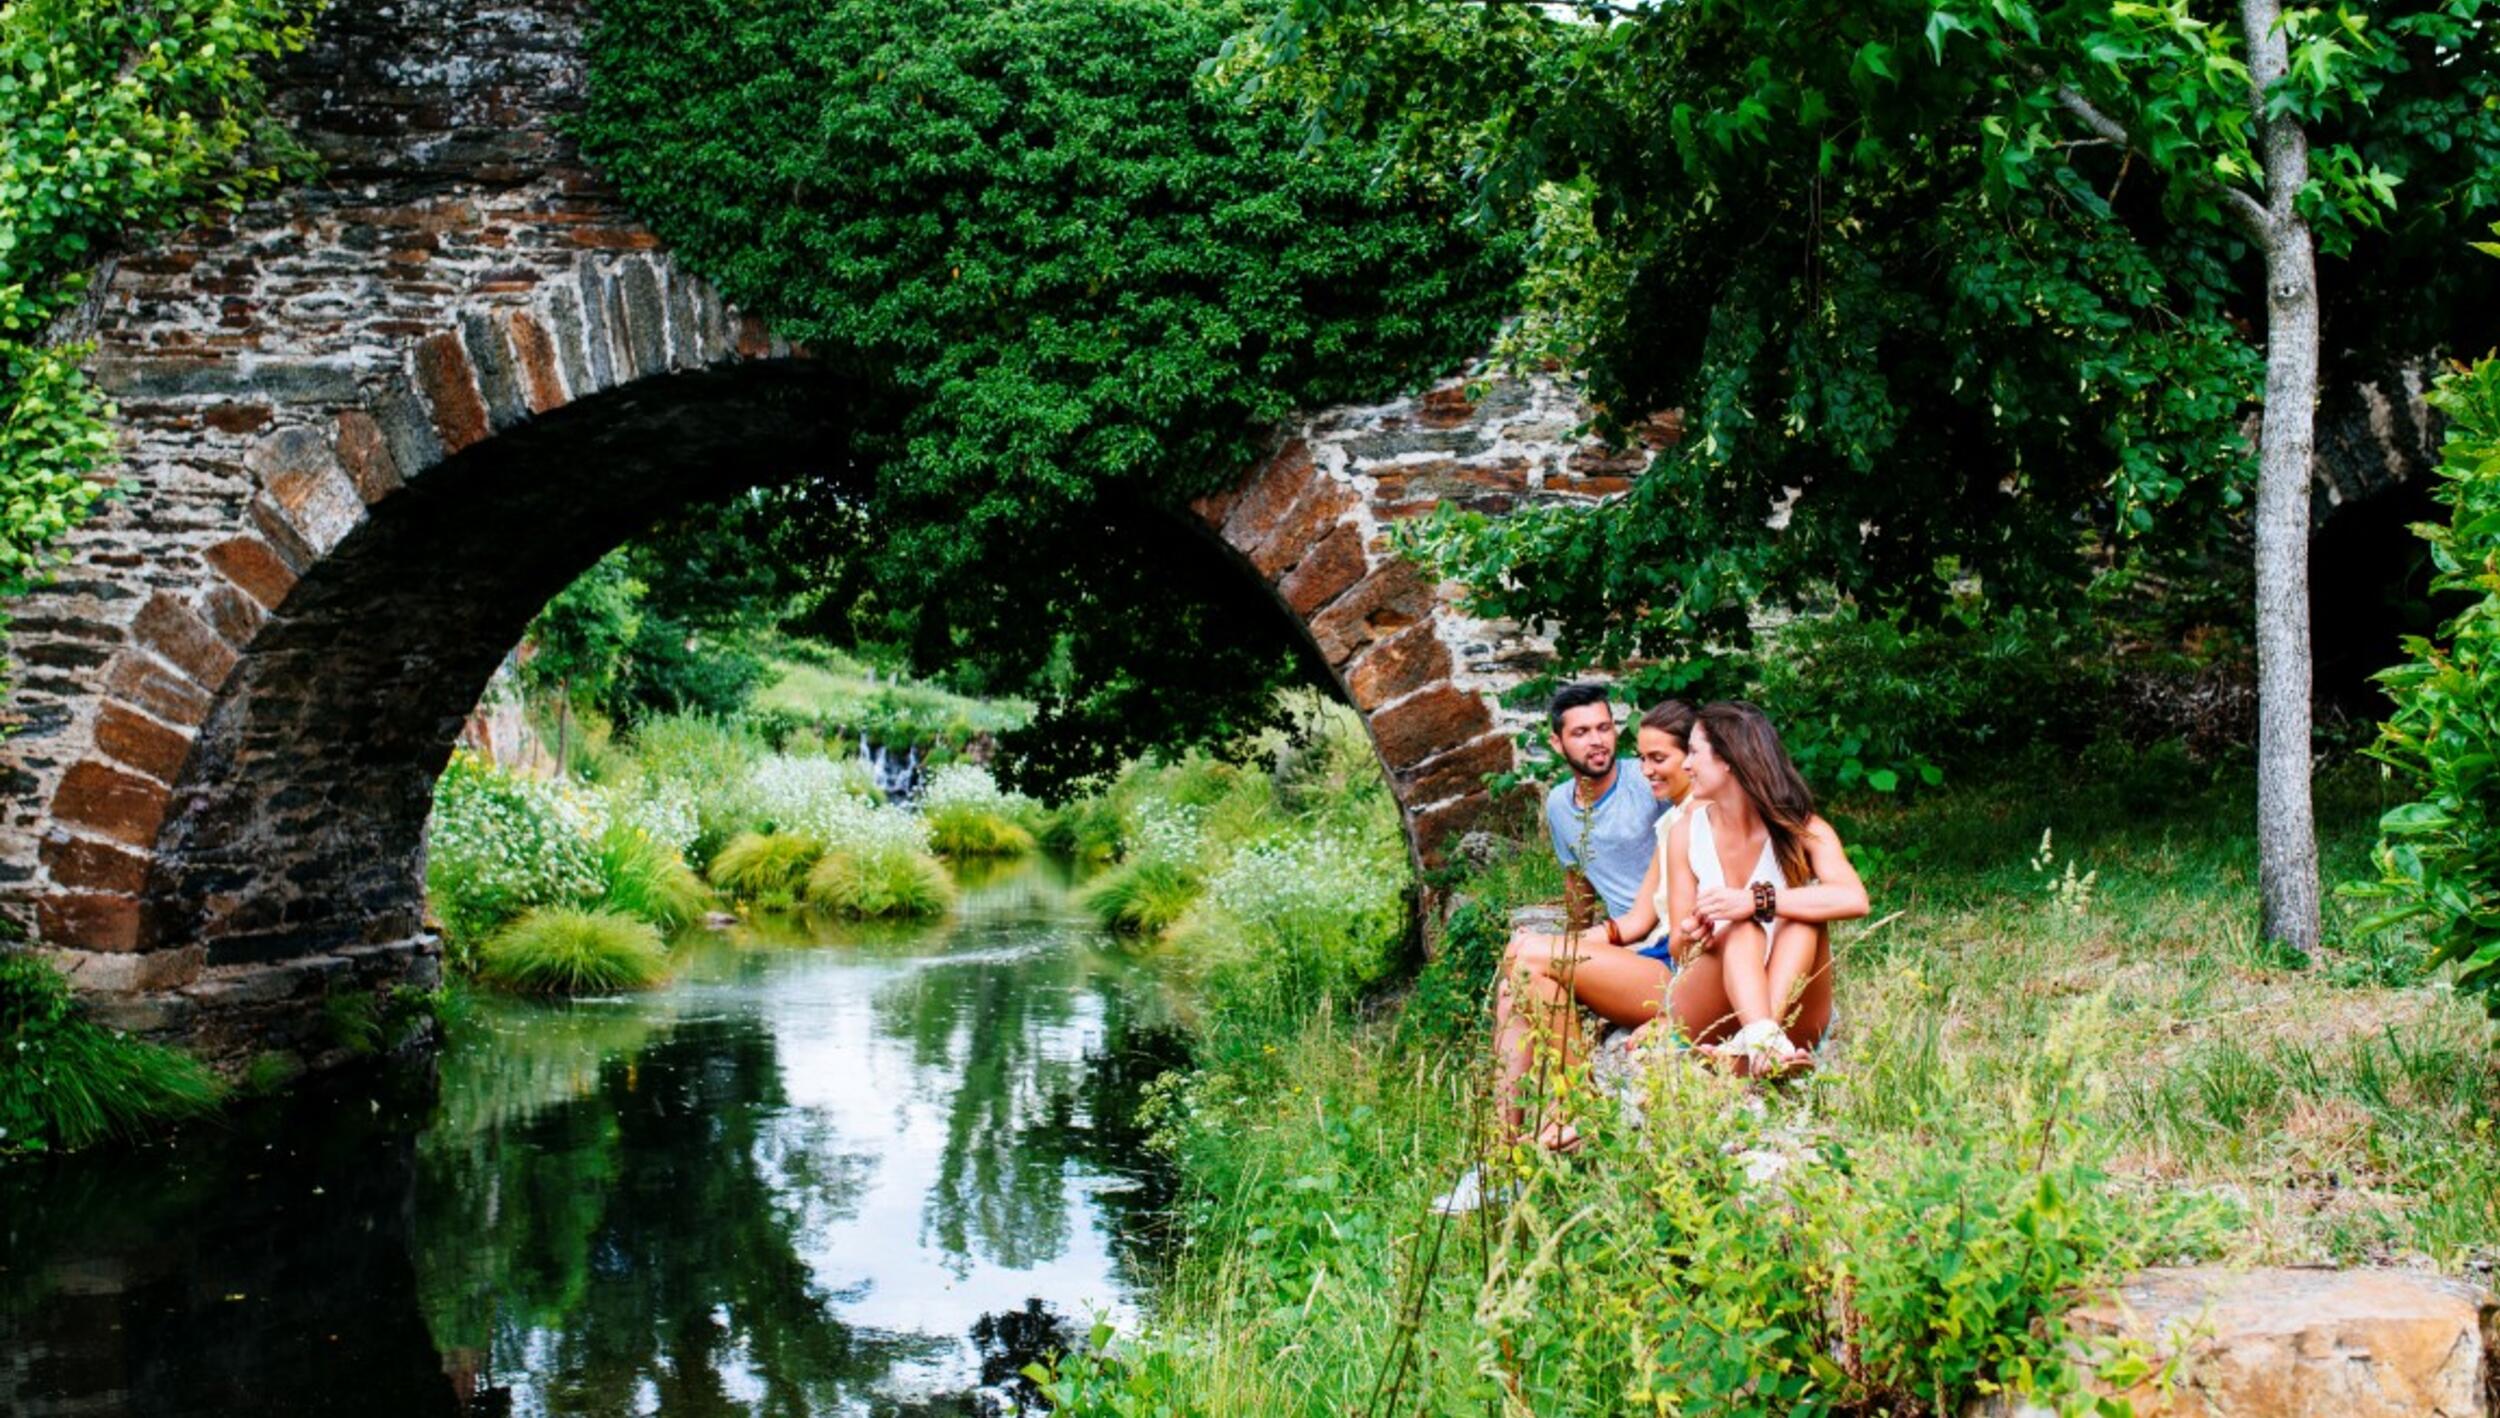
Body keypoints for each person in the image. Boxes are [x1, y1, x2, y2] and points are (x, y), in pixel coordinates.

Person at [1489, 697, 1696, 1149]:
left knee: (1525, 962)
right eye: (1581, 732)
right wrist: (1574, 939)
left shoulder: (1664, 797)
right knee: (1516, 987)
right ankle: (1500, 1154)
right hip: (1631, 945)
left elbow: (1659, 919)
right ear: (1556, 742)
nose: (1598, 740)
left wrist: (1561, 948)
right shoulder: (1563, 807)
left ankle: (1580, 1105)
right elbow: (1578, 883)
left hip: (1665, 956)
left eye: (1604, 727)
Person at [1659, 701, 1870, 1073]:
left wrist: (1757, 900)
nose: (1685, 764)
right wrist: (1695, 935)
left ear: (1729, 758)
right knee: (1741, 927)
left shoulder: (1803, 828)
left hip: (1792, 1007)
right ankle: (1763, 1044)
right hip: (1709, 1009)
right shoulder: (1684, 834)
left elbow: (1855, 898)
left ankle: (1758, 1045)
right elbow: (1677, 946)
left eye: (1693, 752)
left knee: (1801, 913)